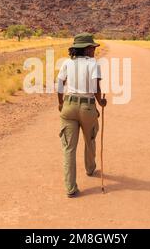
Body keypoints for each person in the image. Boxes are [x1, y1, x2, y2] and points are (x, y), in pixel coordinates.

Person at [57, 33, 107, 198]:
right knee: (90, 139)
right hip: (87, 107)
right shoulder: (93, 64)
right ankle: (90, 168)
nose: (94, 50)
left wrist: (60, 103)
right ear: (85, 49)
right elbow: (95, 89)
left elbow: (59, 84)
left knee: (68, 148)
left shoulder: (66, 63)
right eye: (92, 47)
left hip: (69, 106)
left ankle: (70, 188)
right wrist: (101, 103)